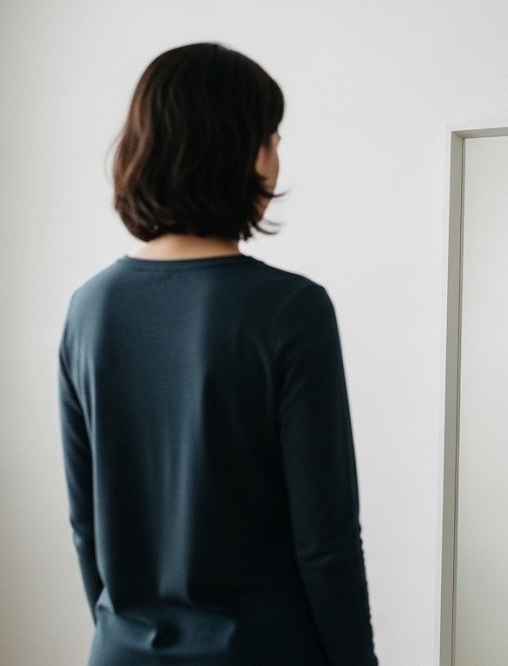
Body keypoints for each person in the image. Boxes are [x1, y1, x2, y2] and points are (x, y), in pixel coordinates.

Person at [58, 43, 376, 665]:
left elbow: (86, 526)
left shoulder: (88, 307)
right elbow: (326, 541)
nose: (277, 159)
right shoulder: (291, 310)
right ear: (242, 151)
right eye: (272, 138)